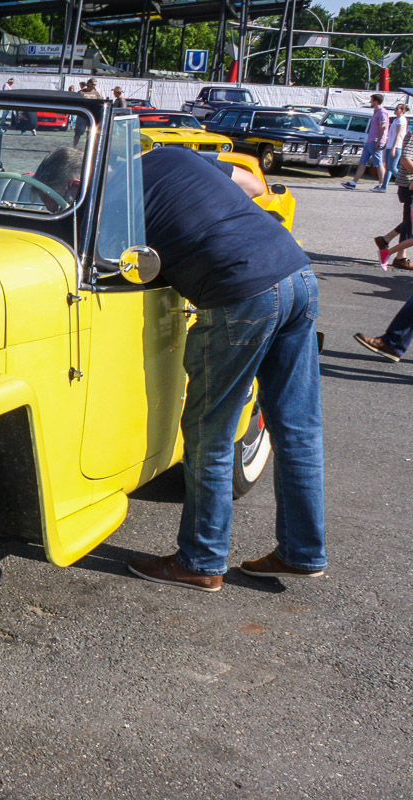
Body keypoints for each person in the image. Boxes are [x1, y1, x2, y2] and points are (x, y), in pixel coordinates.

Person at [128, 146, 326, 591]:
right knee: (297, 427)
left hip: (240, 291)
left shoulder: (109, 199)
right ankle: (302, 552)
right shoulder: (173, 156)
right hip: (297, 272)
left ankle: (200, 560)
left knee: (208, 431)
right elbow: (255, 185)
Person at [373, 124, 413, 269]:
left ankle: (386, 240)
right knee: (409, 223)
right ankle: (399, 257)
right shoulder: (412, 135)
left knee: (409, 221)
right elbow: (405, 159)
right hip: (409, 185)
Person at [343, 94, 389, 191]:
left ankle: (382, 185)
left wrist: (379, 141)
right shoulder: (376, 111)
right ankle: (353, 183)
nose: (370, 102)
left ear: (376, 101)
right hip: (370, 141)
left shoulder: (382, 112)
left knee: (379, 163)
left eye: (371, 100)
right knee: (362, 162)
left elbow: (383, 127)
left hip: (376, 141)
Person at [378, 103, 408, 192]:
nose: (395, 110)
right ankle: (384, 187)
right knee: (388, 167)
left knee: (392, 167)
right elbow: (391, 134)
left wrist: (394, 148)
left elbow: (398, 135)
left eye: (397, 109)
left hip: (396, 146)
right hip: (389, 145)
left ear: (402, 111)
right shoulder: (395, 120)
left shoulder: (401, 120)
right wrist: (386, 144)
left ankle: (407, 182)